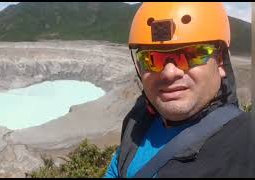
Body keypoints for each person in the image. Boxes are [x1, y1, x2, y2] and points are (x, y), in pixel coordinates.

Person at [104, 2, 254, 178]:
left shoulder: (246, 143)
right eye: (152, 58)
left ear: (220, 61)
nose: (169, 73)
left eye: (191, 55)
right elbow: (117, 168)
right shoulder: (140, 117)